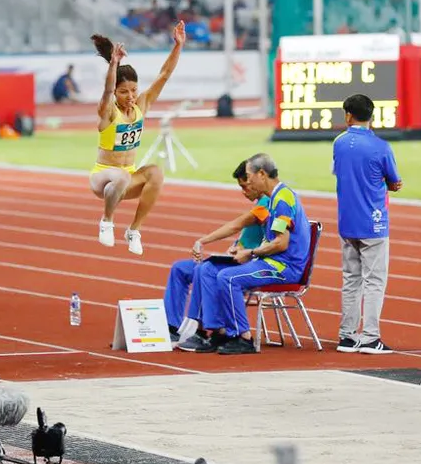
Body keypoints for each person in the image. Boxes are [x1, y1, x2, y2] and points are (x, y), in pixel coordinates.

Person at [177, 153, 312, 355]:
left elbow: (281, 243)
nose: (247, 182)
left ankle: (243, 337)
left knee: (228, 278)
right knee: (209, 269)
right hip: (268, 261)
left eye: (248, 176)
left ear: (262, 174)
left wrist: (250, 252)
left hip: (283, 268)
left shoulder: (282, 199)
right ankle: (217, 331)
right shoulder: (273, 198)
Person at [89, 20, 186, 255]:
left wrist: (178, 46)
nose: (130, 96)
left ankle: (134, 230)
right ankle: (107, 221)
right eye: (124, 92)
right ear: (116, 93)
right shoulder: (108, 111)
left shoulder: (141, 104)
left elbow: (164, 75)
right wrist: (114, 63)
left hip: (127, 177)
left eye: (133, 90)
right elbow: (107, 89)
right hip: (103, 177)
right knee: (120, 176)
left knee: (156, 172)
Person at [163, 159, 269, 341]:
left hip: (250, 265)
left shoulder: (267, 204)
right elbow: (249, 235)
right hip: (235, 260)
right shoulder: (259, 203)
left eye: (246, 186)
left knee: (204, 271)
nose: (244, 192)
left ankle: (202, 328)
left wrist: (203, 241)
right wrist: (236, 246)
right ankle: (171, 326)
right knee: (180, 269)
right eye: (241, 188)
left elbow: (237, 225)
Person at [332, 94, 402, 355]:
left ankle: (347, 336)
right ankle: (371, 338)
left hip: (347, 221)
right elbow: (393, 181)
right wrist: (389, 184)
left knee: (351, 279)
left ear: (348, 115)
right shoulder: (381, 147)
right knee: (374, 281)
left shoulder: (338, 143)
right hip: (373, 222)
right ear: (371, 115)